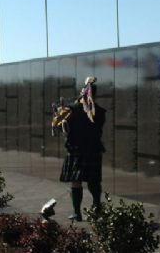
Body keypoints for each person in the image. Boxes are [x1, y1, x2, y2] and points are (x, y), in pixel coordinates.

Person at [58, 76, 106, 222]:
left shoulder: (71, 110)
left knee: (76, 181)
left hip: (76, 149)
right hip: (93, 149)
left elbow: (63, 128)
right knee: (93, 180)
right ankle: (97, 208)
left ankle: (77, 213)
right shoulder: (100, 112)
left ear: (83, 92)